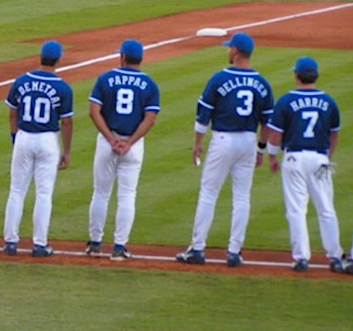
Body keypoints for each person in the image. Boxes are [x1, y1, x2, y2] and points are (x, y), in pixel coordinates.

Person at [177, 33, 274, 267]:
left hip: (223, 139)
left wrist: (198, 143)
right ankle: (234, 252)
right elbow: (267, 123)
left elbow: (204, 116)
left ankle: (198, 249)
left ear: (236, 52)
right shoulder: (263, 84)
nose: (228, 51)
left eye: (230, 48)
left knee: (209, 193)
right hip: (249, 141)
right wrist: (261, 149)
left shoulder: (219, 79)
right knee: (242, 197)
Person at [267, 57, 347, 274]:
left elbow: (276, 135)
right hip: (320, 158)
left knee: (296, 210)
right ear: (316, 76)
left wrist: (272, 157)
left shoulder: (285, 101)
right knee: (326, 209)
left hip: (294, 158)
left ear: (297, 76)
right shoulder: (329, 102)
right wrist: (327, 157)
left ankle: (301, 258)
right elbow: (334, 134)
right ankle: (335, 257)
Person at [85, 40, 160, 261]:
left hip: (107, 144)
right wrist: (130, 142)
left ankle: (95, 244)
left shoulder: (106, 78)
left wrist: (111, 139)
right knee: (127, 195)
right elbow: (151, 118)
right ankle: (119, 248)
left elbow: (94, 111)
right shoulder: (150, 84)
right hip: (134, 146)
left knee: (100, 193)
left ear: (122, 57)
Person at [3, 41, 74, 258]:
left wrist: (16, 137)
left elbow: (12, 113)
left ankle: (10, 242)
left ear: (40, 57)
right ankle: (39, 244)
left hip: (24, 137)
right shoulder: (63, 87)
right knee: (44, 193)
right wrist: (67, 151)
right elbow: (67, 122)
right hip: (47, 140)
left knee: (17, 190)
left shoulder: (22, 81)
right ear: (58, 60)